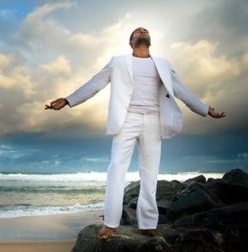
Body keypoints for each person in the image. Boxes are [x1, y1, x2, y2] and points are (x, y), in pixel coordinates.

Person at [45, 27, 226, 240]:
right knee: (116, 169)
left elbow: (182, 91)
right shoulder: (118, 62)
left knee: (150, 172)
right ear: (131, 42)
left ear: (150, 40)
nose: (142, 31)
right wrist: (68, 100)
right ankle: (110, 223)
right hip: (126, 118)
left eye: (145, 31)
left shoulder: (163, 64)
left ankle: (148, 224)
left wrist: (205, 109)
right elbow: (95, 83)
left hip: (153, 120)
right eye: (137, 31)